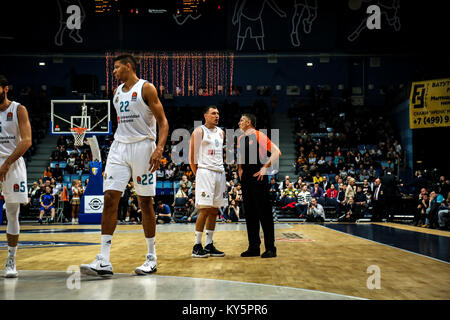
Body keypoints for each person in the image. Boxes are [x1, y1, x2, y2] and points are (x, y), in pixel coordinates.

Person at [80, 54, 169, 277]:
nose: (114, 72)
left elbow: (163, 123)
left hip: (143, 148)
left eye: (117, 68)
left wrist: (159, 148)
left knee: (145, 202)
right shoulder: (117, 92)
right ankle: (103, 260)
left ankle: (151, 258)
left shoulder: (147, 88)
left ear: (129, 67)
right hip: (119, 147)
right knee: (110, 198)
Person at [0, 75, 32, 278]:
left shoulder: (18, 109)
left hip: (12, 163)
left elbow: (27, 141)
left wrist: (6, 163)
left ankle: (10, 260)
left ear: (5, 89)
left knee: (12, 212)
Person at [237, 113, 281, 258]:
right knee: (250, 214)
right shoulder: (241, 138)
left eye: (242, 120)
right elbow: (241, 159)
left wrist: (265, 167)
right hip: (246, 180)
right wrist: (240, 170)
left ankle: (270, 248)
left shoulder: (259, 136)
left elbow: (276, 152)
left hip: (259, 177)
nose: (239, 123)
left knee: (265, 214)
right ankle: (253, 247)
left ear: (248, 122)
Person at [189, 106, 228, 258]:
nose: (216, 116)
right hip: (205, 172)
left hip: (219, 172)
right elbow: (192, 157)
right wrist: (198, 174)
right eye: (213, 113)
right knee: (204, 209)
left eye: (218, 113)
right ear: (205, 115)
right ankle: (197, 245)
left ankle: (209, 244)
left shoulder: (221, 132)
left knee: (214, 210)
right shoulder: (199, 131)